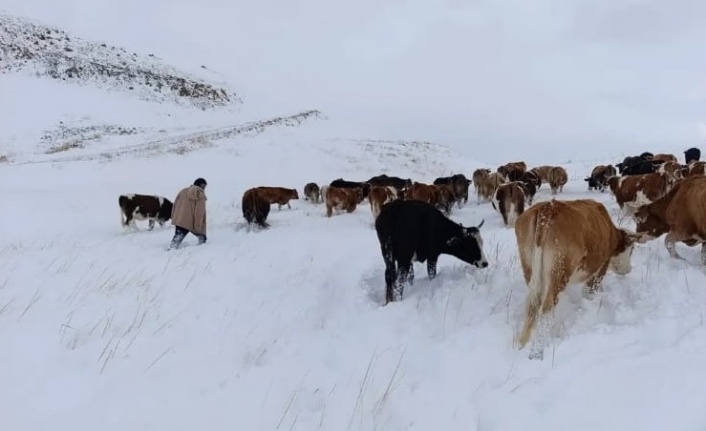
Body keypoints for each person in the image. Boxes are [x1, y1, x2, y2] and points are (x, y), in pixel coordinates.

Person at [167, 178, 208, 250]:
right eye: (204, 186)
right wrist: (198, 226)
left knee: (177, 237)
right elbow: (199, 213)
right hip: (190, 222)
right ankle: (203, 249)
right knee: (202, 236)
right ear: (202, 185)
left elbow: (175, 205)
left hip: (179, 220)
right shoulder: (200, 195)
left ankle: (170, 250)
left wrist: (174, 217)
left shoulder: (183, 191)